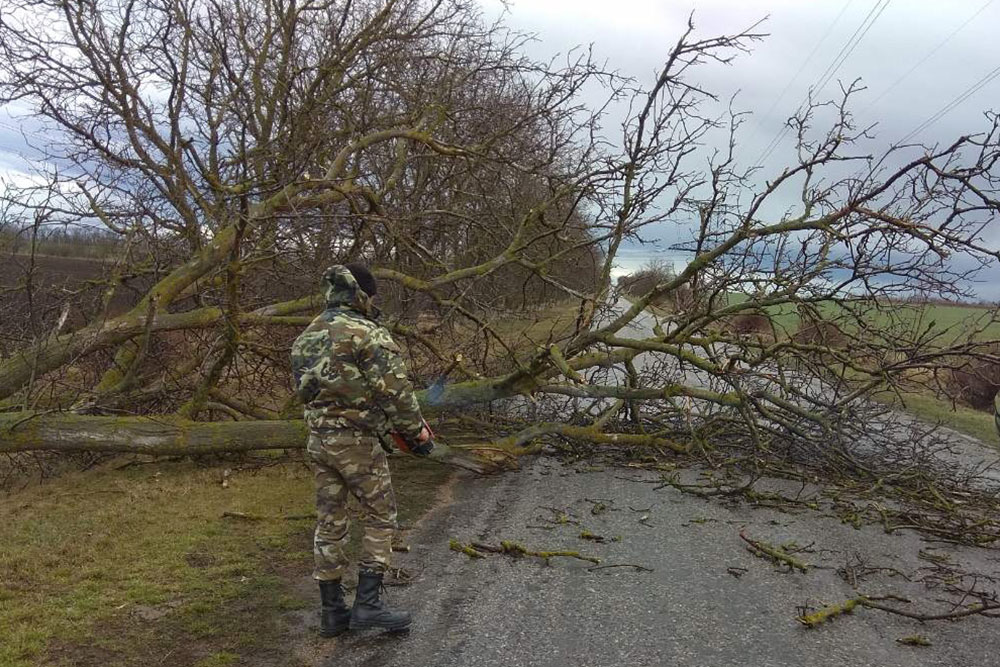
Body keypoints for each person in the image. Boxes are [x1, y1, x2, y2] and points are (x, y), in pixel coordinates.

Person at [290, 263, 433, 637]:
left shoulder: (307, 334)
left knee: (330, 520)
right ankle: (368, 605)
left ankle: (332, 613)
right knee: (381, 515)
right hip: (356, 442)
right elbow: (396, 392)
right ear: (362, 294)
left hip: (318, 440)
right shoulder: (367, 333)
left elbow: (303, 392)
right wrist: (416, 432)